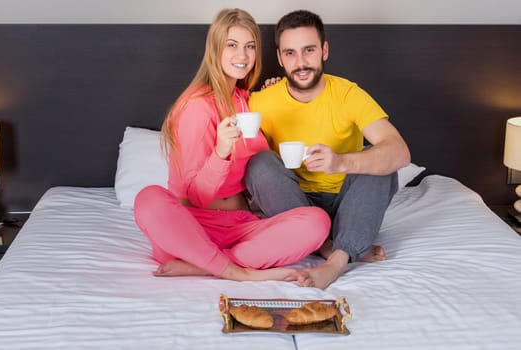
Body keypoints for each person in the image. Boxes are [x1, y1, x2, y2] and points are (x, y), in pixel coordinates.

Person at [133, 8, 330, 283]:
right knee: (148, 200)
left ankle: (204, 265)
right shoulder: (197, 106)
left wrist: (275, 97)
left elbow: (266, 160)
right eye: (232, 45)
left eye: (250, 46)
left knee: (317, 222)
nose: (243, 56)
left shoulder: (245, 102)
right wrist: (220, 152)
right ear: (215, 49)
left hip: (241, 227)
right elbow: (197, 196)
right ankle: (238, 272)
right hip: (192, 228)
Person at [245, 10, 411, 289]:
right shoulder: (262, 101)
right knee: (258, 162)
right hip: (295, 207)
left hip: (348, 206)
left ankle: (336, 261)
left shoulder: (348, 94)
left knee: (381, 163)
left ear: (324, 50)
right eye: (290, 53)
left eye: (309, 50)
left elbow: (400, 152)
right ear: (280, 58)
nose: (300, 63)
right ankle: (326, 245)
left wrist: (341, 163)